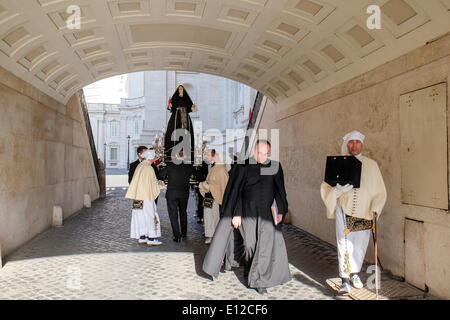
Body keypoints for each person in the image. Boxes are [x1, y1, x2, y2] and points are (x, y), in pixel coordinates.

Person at [203, 140, 291, 294]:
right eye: (259, 153)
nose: (262, 156)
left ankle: (259, 280)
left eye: (265, 153)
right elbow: (235, 192)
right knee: (249, 244)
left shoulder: (275, 167)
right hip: (246, 212)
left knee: (264, 246)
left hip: (267, 214)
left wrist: (281, 210)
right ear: (254, 151)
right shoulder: (242, 166)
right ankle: (250, 270)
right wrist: (236, 214)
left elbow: (280, 191)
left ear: (269, 153)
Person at [320, 130, 387, 293]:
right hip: (344, 211)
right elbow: (325, 186)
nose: (354, 145)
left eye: (357, 142)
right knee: (344, 245)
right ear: (347, 144)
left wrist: (376, 208)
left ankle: (355, 274)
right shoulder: (339, 162)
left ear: (362, 144)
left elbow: (380, 190)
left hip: (365, 211)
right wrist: (338, 190)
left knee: (359, 245)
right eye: (351, 142)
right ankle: (345, 279)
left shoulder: (371, 165)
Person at [125, 149, 165, 246]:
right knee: (150, 216)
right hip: (146, 197)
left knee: (140, 217)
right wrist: (161, 184)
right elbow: (153, 183)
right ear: (151, 158)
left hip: (137, 196)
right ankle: (151, 238)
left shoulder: (140, 165)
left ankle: (142, 237)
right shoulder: (149, 168)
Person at [158, 150, 198, 242]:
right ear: (184, 157)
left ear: (176, 156)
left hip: (172, 194)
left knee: (173, 215)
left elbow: (160, 175)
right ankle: (184, 233)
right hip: (184, 193)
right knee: (183, 212)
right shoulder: (188, 166)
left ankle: (177, 236)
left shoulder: (170, 166)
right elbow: (199, 176)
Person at [199, 149, 229, 244]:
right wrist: (205, 185)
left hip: (215, 197)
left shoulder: (221, 169)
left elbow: (224, 186)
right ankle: (209, 234)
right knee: (208, 217)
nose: (207, 157)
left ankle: (215, 236)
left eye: (208, 155)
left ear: (214, 155)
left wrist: (208, 186)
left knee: (215, 217)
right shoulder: (214, 167)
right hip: (208, 197)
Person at [164, 85, 197, 163]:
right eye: (179, 89)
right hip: (176, 117)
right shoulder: (175, 98)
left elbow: (190, 109)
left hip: (185, 116)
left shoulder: (187, 99)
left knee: (186, 131)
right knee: (174, 130)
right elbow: (170, 108)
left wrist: (193, 107)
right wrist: (170, 105)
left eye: (182, 89)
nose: (181, 90)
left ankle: (186, 150)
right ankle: (174, 151)